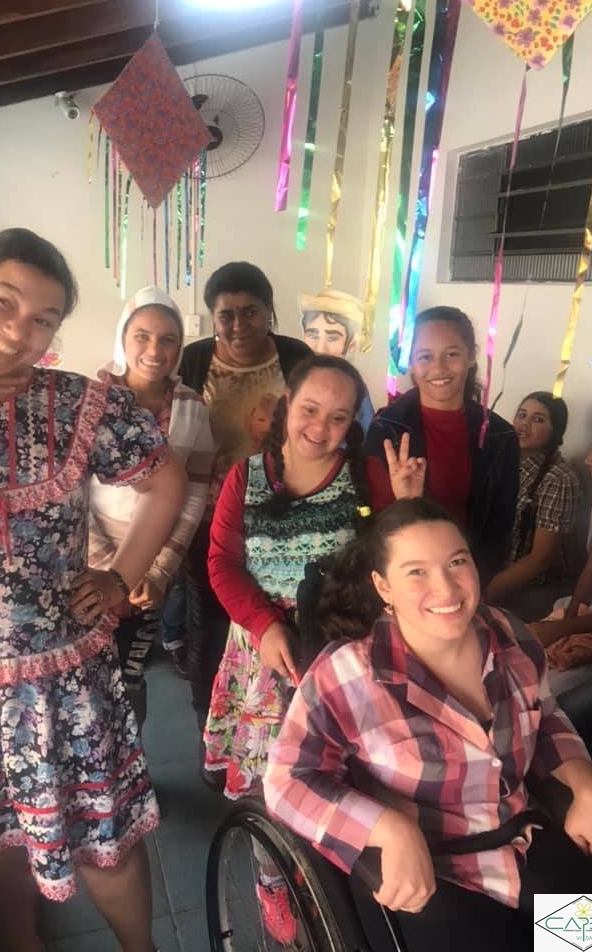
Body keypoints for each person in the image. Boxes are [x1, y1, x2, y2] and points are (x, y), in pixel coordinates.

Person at [0, 229, 187, 952]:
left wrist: (121, 575)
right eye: (3, 301)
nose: (18, 330)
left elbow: (166, 479)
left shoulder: (77, 405)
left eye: (44, 319)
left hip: (59, 679)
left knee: (104, 838)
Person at [264, 498, 592, 952]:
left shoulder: (510, 636)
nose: (446, 588)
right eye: (416, 571)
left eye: (457, 562)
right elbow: (286, 780)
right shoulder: (347, 676)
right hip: (430, 870)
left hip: (522, 840)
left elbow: (545, 713)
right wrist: (388, 828)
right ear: (383, 586)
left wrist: (588, 784)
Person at [203, 354, 394, 944]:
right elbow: (222, 563)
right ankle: (274, 881)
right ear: (287, 405)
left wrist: (408, 503)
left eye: (338, 417)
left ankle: (331, 881)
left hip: (341, 654)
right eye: (310, 409)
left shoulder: (368, 477)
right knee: (274, 780)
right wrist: (264, 625)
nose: (320, 427)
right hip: (268, 656)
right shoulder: (246, 477)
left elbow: (399, 557)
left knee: (342, 775)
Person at [178, 261, 310, 736]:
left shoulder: (295, 357)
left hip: (284, 519)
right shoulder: (195, 361)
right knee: (211, 623)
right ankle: (209, 724)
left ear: (269, 311)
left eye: (250, 312)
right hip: (211, 518)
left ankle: (280, 732)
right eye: (226, 315)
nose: (238, 325)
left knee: (280, 620)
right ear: (213, 317)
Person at [89, 286, 214, 719]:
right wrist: (111, 570)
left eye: (168, 339)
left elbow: (194, 492)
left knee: (131, 676)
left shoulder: (193, 407)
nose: (154, 350)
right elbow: (71, 495)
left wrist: (157, 571)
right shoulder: (90, 401)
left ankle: (134, 761)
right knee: (89, 680)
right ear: (122, 338)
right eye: (141, 336)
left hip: (153, 575)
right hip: (89, 568)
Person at [365, 305, 519, 586]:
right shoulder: (387, 430)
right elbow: (376, 526)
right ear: (411, 362)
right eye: (425, 356)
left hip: (471, 576)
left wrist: (478, 584)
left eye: (452, 354)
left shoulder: (500, 436)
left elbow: (499, 527)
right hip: (406, 576)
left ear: (471, 356)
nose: (439, 368)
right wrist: (408, 502)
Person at [529, 413, 592, 741]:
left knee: (553, 706)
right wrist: (571, 613)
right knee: (528, 670)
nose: (588, 460)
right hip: (591, 614)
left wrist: (563, 629)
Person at [487, 392, 580, 620]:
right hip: (494, 571)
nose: (524, 425)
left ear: (556, 430)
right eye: (522, 415)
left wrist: (485, 594)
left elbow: (541, 559)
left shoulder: (558, 478)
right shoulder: (505, 460)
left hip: (534, 588)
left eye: (538, 419)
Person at [299, 287, 375, 431]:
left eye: (332, 338)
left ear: (351, 343)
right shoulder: (295, 378)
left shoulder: (354, 388)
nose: (320, 348)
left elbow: (367, 435)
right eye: (312, 335)